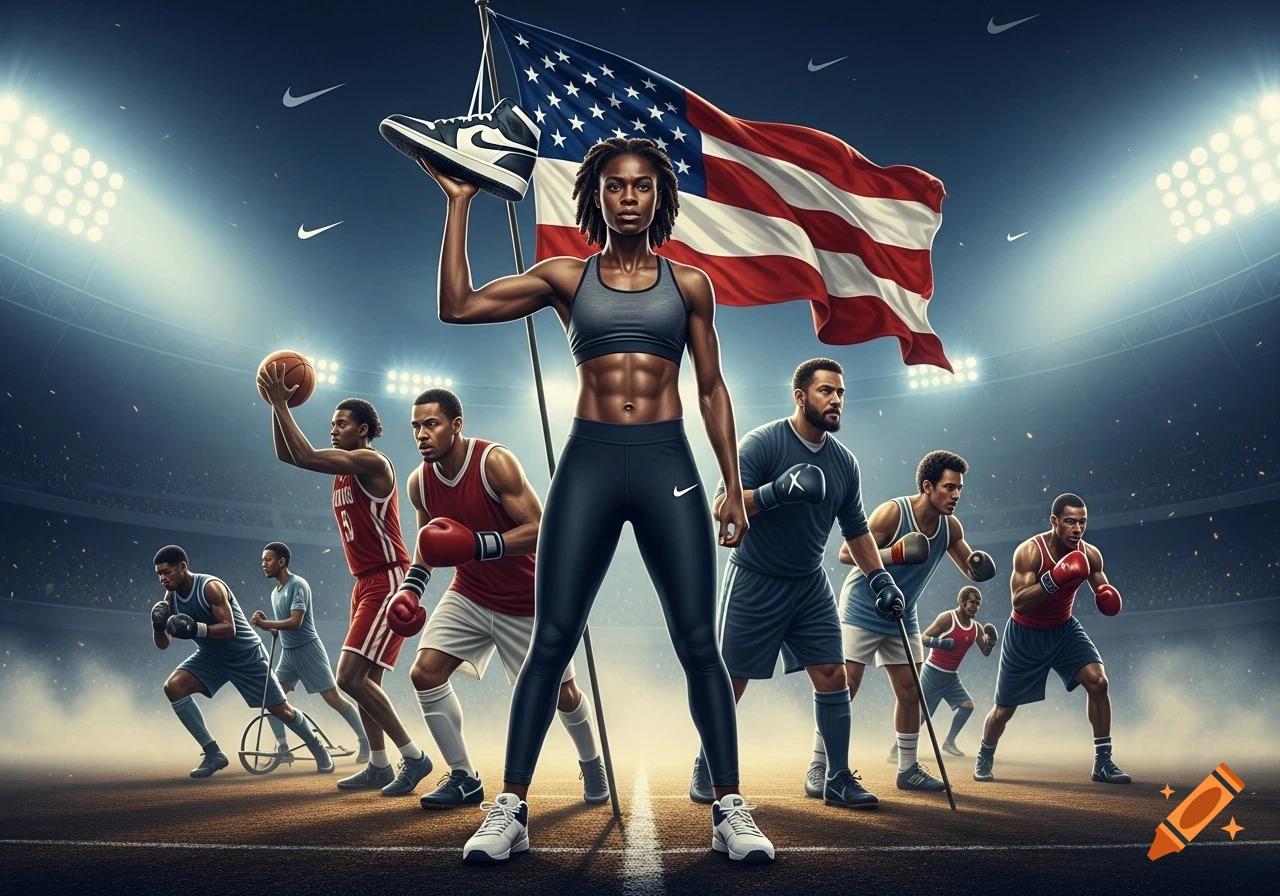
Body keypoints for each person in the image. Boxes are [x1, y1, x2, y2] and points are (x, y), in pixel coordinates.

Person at [418, 136, 774, 863]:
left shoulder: (692, 285)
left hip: (668, 463)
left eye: (641, 186)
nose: (629, 197)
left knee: (697, 642)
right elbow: (458, 305)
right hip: (588, 464)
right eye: (615, 186)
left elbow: (711, 388)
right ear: (596, 196)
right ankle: (511, 809)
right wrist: (459, 203)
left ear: (658, 196)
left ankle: (729, 809)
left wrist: (733, 486)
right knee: (551, 640)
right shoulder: (565, 277)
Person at [690, 358, 901, 811]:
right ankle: (708, 764)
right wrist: (775, 492)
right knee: (731, 682)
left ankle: (837, 777)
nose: (836, 400)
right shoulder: (762, 443)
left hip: (809, 584)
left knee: (833, 676)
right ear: (801, 397)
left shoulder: (844, 463)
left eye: (840, 393)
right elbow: (721, 505)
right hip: (755, 578)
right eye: (826, 391)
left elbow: (856, 530)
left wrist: (881, 578)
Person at [385, 388, 607, 810]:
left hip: (527, 598)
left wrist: (476, 544)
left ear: (456, 425)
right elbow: (428, 544)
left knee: (563, 694)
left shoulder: (494, 463)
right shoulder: (420, 483)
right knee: (425, 673)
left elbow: (541, 530)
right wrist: (411, 588)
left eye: (431, 424)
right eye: (415, 426)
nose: (421, 434)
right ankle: (464, 778)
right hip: (469, 593)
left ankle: (591, 762)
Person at [259, 373, 433, 796]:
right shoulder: (343, 468)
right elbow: (288, 455)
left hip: (388, 577)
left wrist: (282, 404)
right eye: (332, 424)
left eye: (341, 423)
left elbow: (304, 454)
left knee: (349, 677)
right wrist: (274, 408)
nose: (333, 429)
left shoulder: (372, 462)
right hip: (365, 581)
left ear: (363, 430)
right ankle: (379, 766)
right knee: (365, 682)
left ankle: (414, 757)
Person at [835, 451, 997, 795]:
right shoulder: (894, 512)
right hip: (863, 605)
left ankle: (908, 769)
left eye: (959, 488)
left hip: (902, 612)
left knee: (912, 692)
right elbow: (847, 553)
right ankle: (824, 766)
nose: (956, 495)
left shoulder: (950, 527)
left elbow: (970, 568)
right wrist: (895, 553)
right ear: (927, 486)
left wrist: (979, 567)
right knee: (845, 687)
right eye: (949, 487)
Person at [974, 494, 1129, 785]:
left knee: (1099, 682)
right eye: (1070, 521)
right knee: (1004, 710)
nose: (1077, 529)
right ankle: (985, 754)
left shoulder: (1090, 554)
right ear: (1054, 521)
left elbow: (1102, 587)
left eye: (1082, 522)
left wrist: (1106, 595)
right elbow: (1019, 602)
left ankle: (1103, 762)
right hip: (1025, 634)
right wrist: (1053, 579)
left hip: (1063, 629)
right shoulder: (1030, 552)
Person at [151, 545, 333, 777]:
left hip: (246, 656)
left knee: (282, 710)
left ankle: (317, 747)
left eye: (167, 572)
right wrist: (158, 627)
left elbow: (230, 629)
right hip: (211, 656)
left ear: (183, 567)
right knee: (173, 687)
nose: (163, 578)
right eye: (159, 574)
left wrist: (197, 628)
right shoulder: (170, 597)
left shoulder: (210, 588)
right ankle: (213, 753)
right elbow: (163, 644)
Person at [250, 541, 370, 764]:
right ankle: (283, 749)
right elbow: (282, 628)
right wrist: (270, 627)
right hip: (288, 655)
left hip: (309, 650)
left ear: (281, 561)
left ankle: (366, 741)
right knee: (272, 699)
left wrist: (267, 624)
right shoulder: (275, 593)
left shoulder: (298, 585)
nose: (263, 564)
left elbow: (296, 622)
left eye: (268, 560)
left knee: (333, 699)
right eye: (262, 560)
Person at [892, 586, 997, 760]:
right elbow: (924, 637)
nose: (975, 606)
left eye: (978, 603)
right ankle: (896, 750)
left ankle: (949, 742)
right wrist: (940, 643)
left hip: (951, 677)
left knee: (967, 706)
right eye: (971, 602)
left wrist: (991, 644)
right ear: (962, 602)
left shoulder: (976, 628)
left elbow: (985, 652)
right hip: (932, 673)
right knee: (921, 716)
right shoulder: (947, 618)